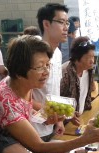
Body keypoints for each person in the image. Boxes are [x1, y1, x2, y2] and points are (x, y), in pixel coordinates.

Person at [0, 35, 99, 153]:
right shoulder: (7, 105)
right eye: (40, 67)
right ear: (19, 70)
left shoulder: (17, 84)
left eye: (47, 65)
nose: (46, 72)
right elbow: (39, 147)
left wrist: (44, 118)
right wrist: (84, 140)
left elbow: (24, 109)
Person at [32, 3, 70, 142]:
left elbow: (55, 89)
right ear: (46, 24)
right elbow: (19, 95)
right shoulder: (32, 52)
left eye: (67, 23)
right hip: (31, 128)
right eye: (61, 22)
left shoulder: (58, 53)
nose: (66, 27)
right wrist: (46, 110)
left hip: (49, 125)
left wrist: (58, 120)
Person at [61, 36, 95, 125]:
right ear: (77, 58)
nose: (92, 61)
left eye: (93, 57)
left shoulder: (89, 70)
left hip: (80, 117)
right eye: (89, 57)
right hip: (65, 121)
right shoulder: (64, 72)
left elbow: (91, 89)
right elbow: (56, 100)